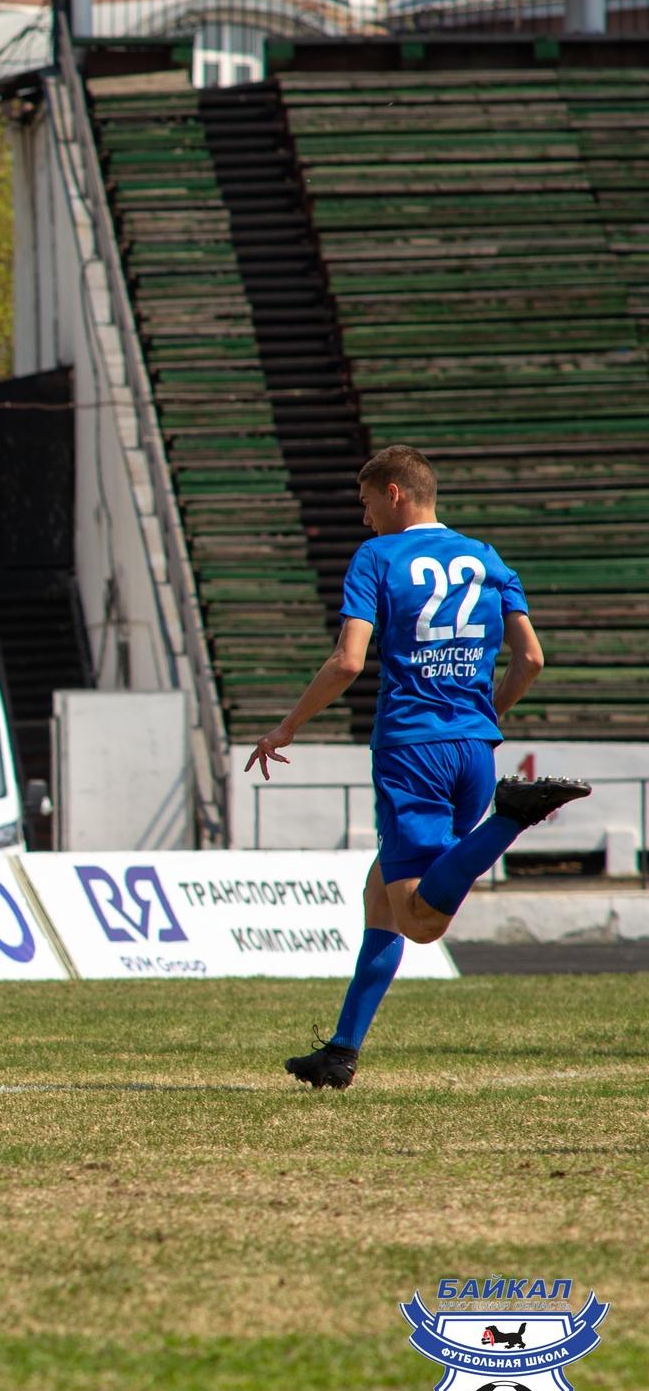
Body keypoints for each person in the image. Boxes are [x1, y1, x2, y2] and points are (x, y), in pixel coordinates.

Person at [244, 444, 588, 1089]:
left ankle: (513, 817)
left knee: (419, 923)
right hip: (473, 747)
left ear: (395, 492)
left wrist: (285, 726)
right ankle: (340, 1051)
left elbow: (348, 662)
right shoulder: (485, 557)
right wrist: (484, 714)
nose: (365, 516)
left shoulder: (377, 557)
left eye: (367, 500)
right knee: (383, 893)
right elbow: (532, 659)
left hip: (413, 749)